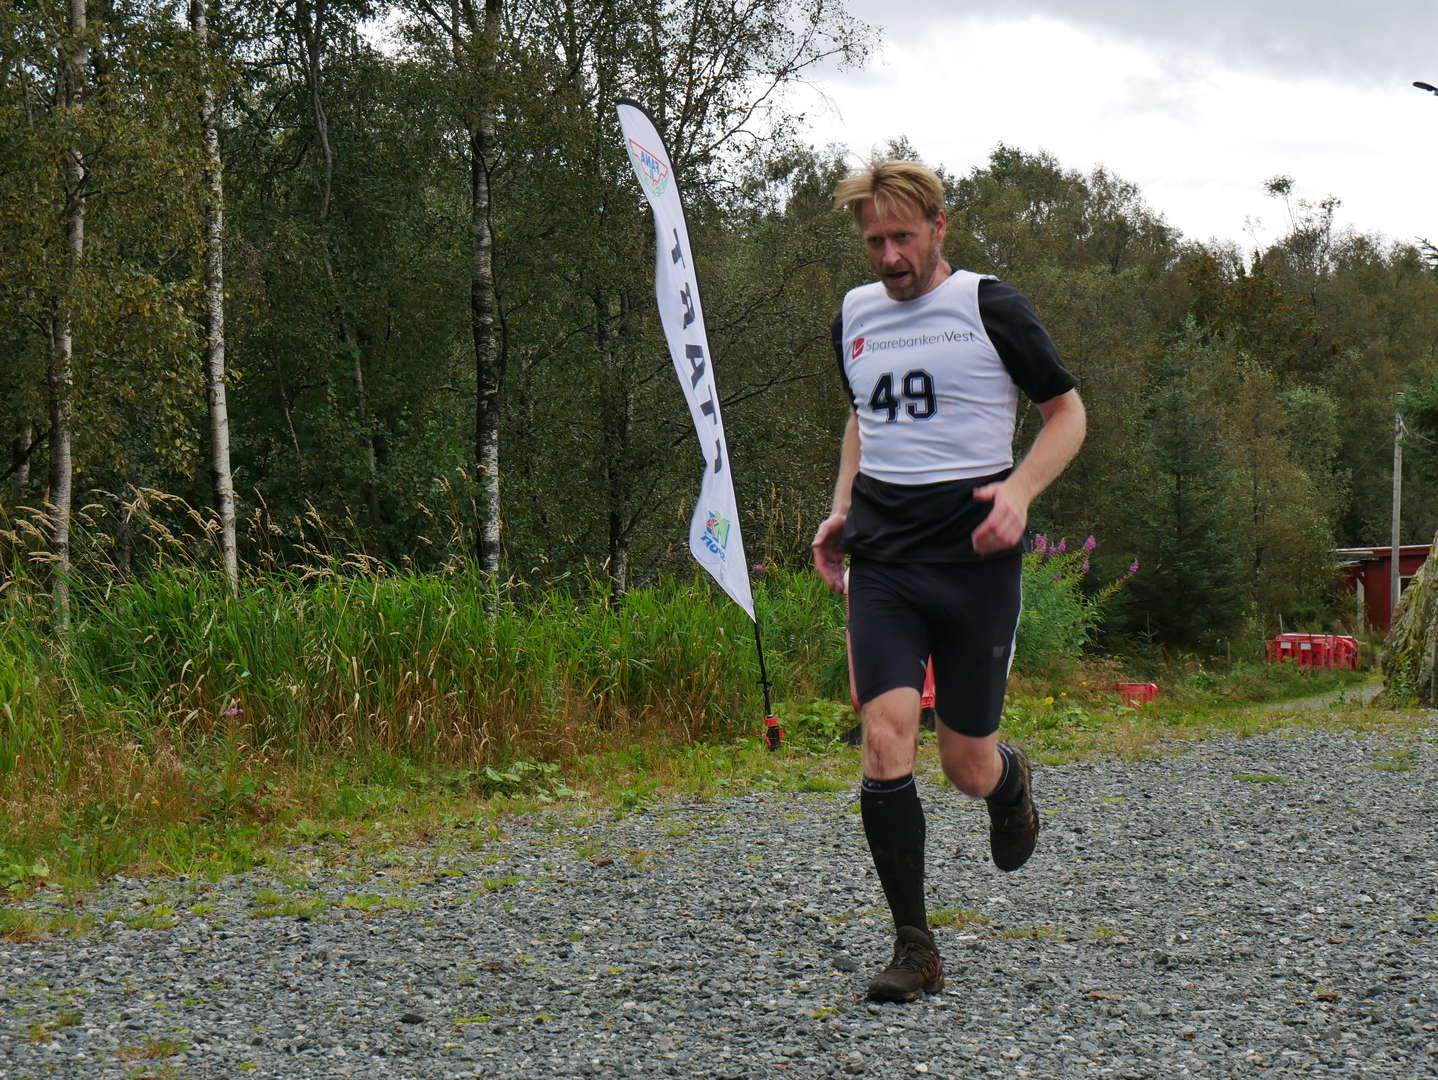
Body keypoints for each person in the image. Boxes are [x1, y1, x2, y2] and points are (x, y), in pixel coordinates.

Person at [811, 160, 1085, 1003]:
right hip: (885, 562)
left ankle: (1010, 780)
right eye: (874, 242)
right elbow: (863, 415)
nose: (889, 257)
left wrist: (1019, 492)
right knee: (885, 737)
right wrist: (841, 507)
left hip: (974, 565)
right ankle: (915, 947)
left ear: (937, 227)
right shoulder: (854, 314)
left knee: (965, 764)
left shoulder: (988, 306)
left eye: (903, 237)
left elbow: (1067, 413)